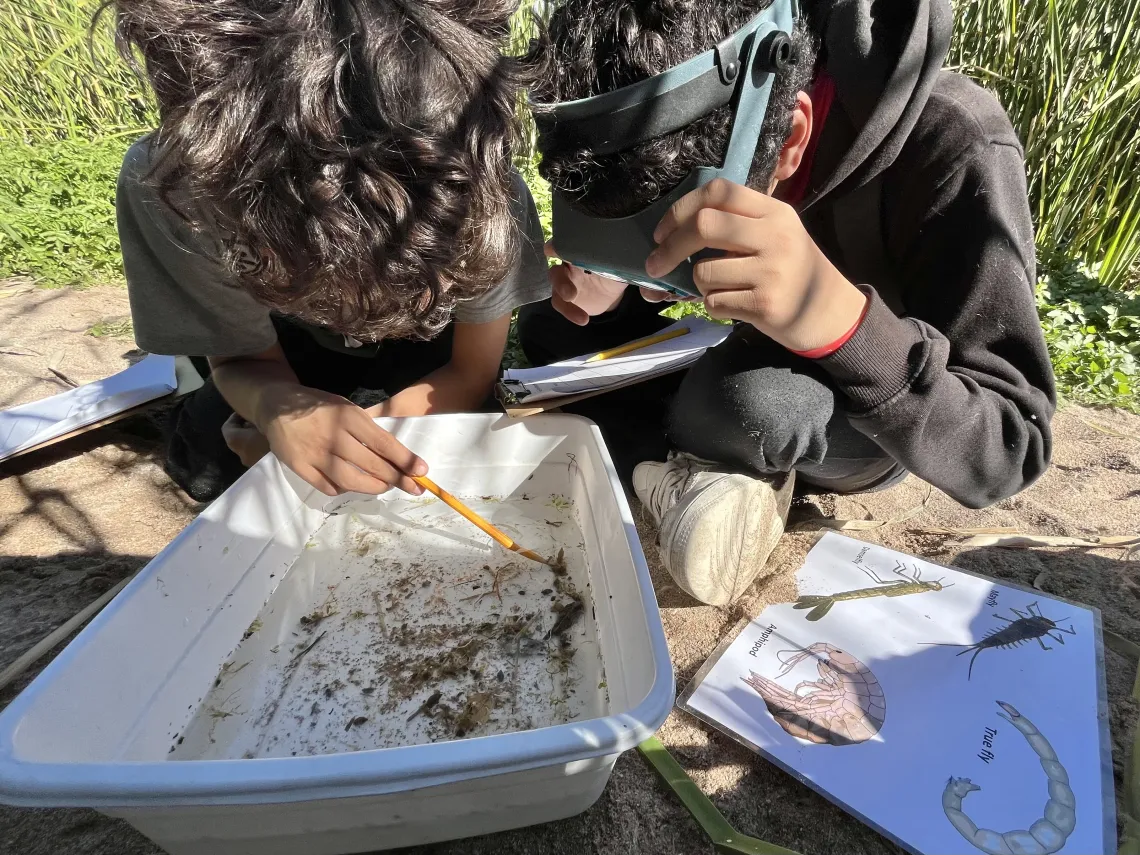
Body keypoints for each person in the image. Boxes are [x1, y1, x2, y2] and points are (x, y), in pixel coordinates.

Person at [523, 0, 1056, 605]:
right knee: (551, 325)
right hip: (721, 348)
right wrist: (612, 280)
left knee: (748, 401)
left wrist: (840, 321)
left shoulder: (956, 142)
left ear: (793, 138)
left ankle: (674, 463)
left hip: (872, 404)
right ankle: (692, 472)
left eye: (677, 218)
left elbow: (1011, 446)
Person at [110, 0, 549, 502]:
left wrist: (353, 437)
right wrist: (278, 407)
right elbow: (240, 359)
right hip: (288, 336)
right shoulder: (180, 186)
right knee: (213, 462)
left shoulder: (479, 189)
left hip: (428, 343)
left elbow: (470, 372)